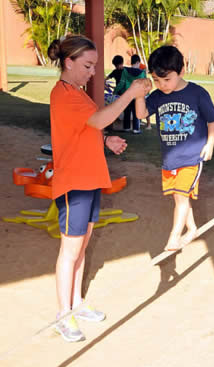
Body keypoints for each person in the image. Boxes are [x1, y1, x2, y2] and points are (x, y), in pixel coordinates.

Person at [47, 35, 151, 342]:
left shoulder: (77, 93)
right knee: (70, 251)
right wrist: (131, 92)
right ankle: (62, 314)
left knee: (83, 245)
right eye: (88, 65)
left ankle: (76, 303)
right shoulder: (64, 94)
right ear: (69, 63)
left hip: (90, 178)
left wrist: (106, 140)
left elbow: (86, 127)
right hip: (75, 182)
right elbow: (101, 117)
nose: (93, 72)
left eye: (94, 66)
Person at [135, 45, 214, 252]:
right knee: (179, 197)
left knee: (181, 197)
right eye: (156, 80)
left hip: (192, 158)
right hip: (170, 160)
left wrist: (210, 143)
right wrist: (139, 95)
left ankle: (174, 237)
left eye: (166, 79)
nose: (162, 85)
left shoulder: (197, 94)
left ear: (181, 71)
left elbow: (213, 120)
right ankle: (192, 229)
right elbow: (140, 114)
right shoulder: (158, 96)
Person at [115, 54, 147, 133]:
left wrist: (115, 91)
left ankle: (127, 128)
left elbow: (121, 83)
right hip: (137, 96)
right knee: (136, 112)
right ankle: (136, 129)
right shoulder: (142, 72)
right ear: (137, 62)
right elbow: (145, 85)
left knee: (127, 112)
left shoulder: (125, 71)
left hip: (127, 95)